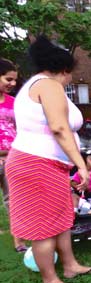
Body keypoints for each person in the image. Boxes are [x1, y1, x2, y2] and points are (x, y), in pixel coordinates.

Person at [5, 36, 91, 283]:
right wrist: (80, 164)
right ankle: (50, 280)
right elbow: (59, 128)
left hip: (46, 164)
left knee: (61, 219)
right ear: (64, 69)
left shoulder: (34, 85)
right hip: (36, 165)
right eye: (71, 73)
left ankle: (70, 265)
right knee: (42, 225)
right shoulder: (49, 86)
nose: (71, 79)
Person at [0, 58, 27, 252]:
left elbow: (21, 128)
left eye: (14, 80)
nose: (13, 84)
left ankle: (19, 243)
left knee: (14, 200)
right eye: (8, 79)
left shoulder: (14, 102)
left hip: (11, 157)